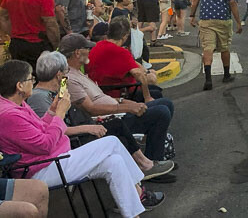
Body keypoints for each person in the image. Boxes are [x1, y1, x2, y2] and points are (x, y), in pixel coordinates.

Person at [0, 60, 164, 217]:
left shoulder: (18, 104)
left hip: (55, 159)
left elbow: (41, 129)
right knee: (112, 141)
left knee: (114, 162)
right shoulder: (8, 115)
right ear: (19, 86)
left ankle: (133, 214)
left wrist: (51, 111)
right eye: (30, 79)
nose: (33, 82)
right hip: (43, 168)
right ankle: (139, 187)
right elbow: (45, 145)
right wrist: (59, 114)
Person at [26, 50, 175, 181]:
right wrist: (89, 126)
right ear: (58, 75)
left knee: (117, 125)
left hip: (82, 126)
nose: (67, 76)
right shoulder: (39, 97)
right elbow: (51, 129)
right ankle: (145, 165)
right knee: (119, 127)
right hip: (72, 140)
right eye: (65, 73)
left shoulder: (57, 89)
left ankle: (145, 164)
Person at [60, 34, 174, 166]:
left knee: (166, 104)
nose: (89, 51)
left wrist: (123, 101)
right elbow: (90, 109)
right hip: (107, 119)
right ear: (77, 53)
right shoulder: (68, 78)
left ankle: (154, 154)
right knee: (161, 112)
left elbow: (100, 97)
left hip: (115, 110)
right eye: (87, 48)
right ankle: (152, 162)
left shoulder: (77, 72)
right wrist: (127, 108)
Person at [190, 0, 243, 91]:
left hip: (206, 19)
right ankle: (226, 74)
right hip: (223, 19)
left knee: (208, 48)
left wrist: (192, 15)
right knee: (224, 47)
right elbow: (232, 3)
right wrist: (238, 21)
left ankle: (208, 79)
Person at [87, 16, 164, 103]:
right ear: (125, 36)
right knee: (157, 95)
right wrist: (147, 97)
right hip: (122, 93)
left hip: (101, 91)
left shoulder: (96, 47)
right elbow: (138, 73)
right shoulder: (120, 52)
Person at [0, 0, 58, 71]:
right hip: (37, 44)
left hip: (17, 44)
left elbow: (2, 16)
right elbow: (50, 24)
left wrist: (11, 33)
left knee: (21, 76)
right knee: (40, 78)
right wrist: (55, 45)